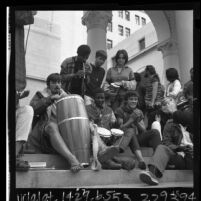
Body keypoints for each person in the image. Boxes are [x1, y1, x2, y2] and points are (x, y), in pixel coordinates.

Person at [27, 73, 117, 173]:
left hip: (66, 131)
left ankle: (103, 149)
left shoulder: (67, 96)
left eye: (59, 82)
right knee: (52, 126)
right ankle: (73, 160)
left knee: (88, 124)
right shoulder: (40, 95)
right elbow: (33, 110)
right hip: (45, 133)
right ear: (48, 84)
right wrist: (49, 99)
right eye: (53, 82)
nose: (57, 85)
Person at [139, 96, 193, 185]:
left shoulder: (193, 124)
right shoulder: (170, 123)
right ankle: (152, 174)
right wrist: (180, 148)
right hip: (180, 157)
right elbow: (166, 143)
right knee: (162, 147)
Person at [86, 88, 135, 170]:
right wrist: (95, 120)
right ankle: (116, 162)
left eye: (102, 98)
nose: (100, 100)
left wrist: (117, 124)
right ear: (94, 99)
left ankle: (115, 151)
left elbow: (113, 123)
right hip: (93, 139)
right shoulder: (87, 109)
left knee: (129, 130)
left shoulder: (109, 110)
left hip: (108, 139)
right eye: (98, 98)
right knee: (93, 129)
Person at [115, 91, 162, 170]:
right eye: (131, 99)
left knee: (155, 132)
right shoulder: (120, 110)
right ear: (126, 100)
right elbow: (121, 128)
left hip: (137, 138)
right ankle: (141, 161)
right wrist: (131, 120)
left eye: (135, 99)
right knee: (131, 130)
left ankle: (158, 160)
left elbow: (143, 131)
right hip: (124, 138)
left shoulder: (138, 112)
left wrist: (136, 123)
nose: (134, 101)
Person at [16, 90, 34, 171]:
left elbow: (16, 107)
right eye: (54, 82)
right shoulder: (40, 94)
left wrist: (19, 97)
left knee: (28, 110)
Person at [144, 65, 165, 130]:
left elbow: (154, 90)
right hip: (151, 103)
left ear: (148, 71)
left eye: (146, 70)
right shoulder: (151, 78)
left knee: (154, 119)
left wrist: (152, 102)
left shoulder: (154, 78)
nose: (145, 72)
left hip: (155, 104)